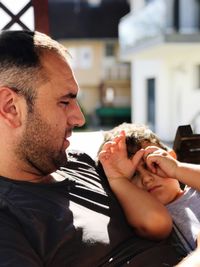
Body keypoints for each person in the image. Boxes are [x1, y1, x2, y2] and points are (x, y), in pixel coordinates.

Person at [0, 30, 186, 267]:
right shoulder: (8, 217)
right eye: (64, 102)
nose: (79, 119)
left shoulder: (82, 163)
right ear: (11, 107)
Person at [98, 122, 200, 266]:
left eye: (152, 164)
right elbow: (154, 219)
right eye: (134, 175)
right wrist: (118, 179)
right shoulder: (149, 215)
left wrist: (177, 169)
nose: (146, 178)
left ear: (170, 157)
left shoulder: (195, 185)